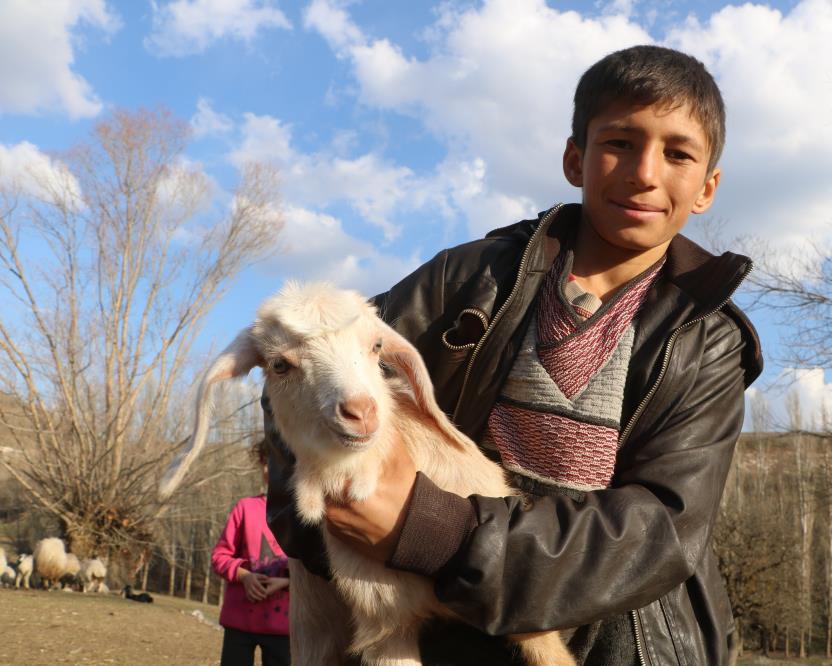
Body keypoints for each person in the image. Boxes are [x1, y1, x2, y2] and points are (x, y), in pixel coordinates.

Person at [266, 45, 762, 665]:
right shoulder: (464, 279)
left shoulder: (710, 342)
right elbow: (300, 367)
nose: (645, 172)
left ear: (708, 186)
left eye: (678, 153)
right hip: (437, 634)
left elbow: (659, 531)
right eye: (620, 142)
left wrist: (430, 532)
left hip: (617, 642)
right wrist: (322, 527)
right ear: (574, 157)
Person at [213, 439, 291, 666]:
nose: (269, 469)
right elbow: (219, 557)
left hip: (283, 628)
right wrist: (244, 576)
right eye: (265, 463)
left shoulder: (300, 516)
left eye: (276, 463)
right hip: (239, 623)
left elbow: (313, 569)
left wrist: (284, 582)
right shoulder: (244, 508)